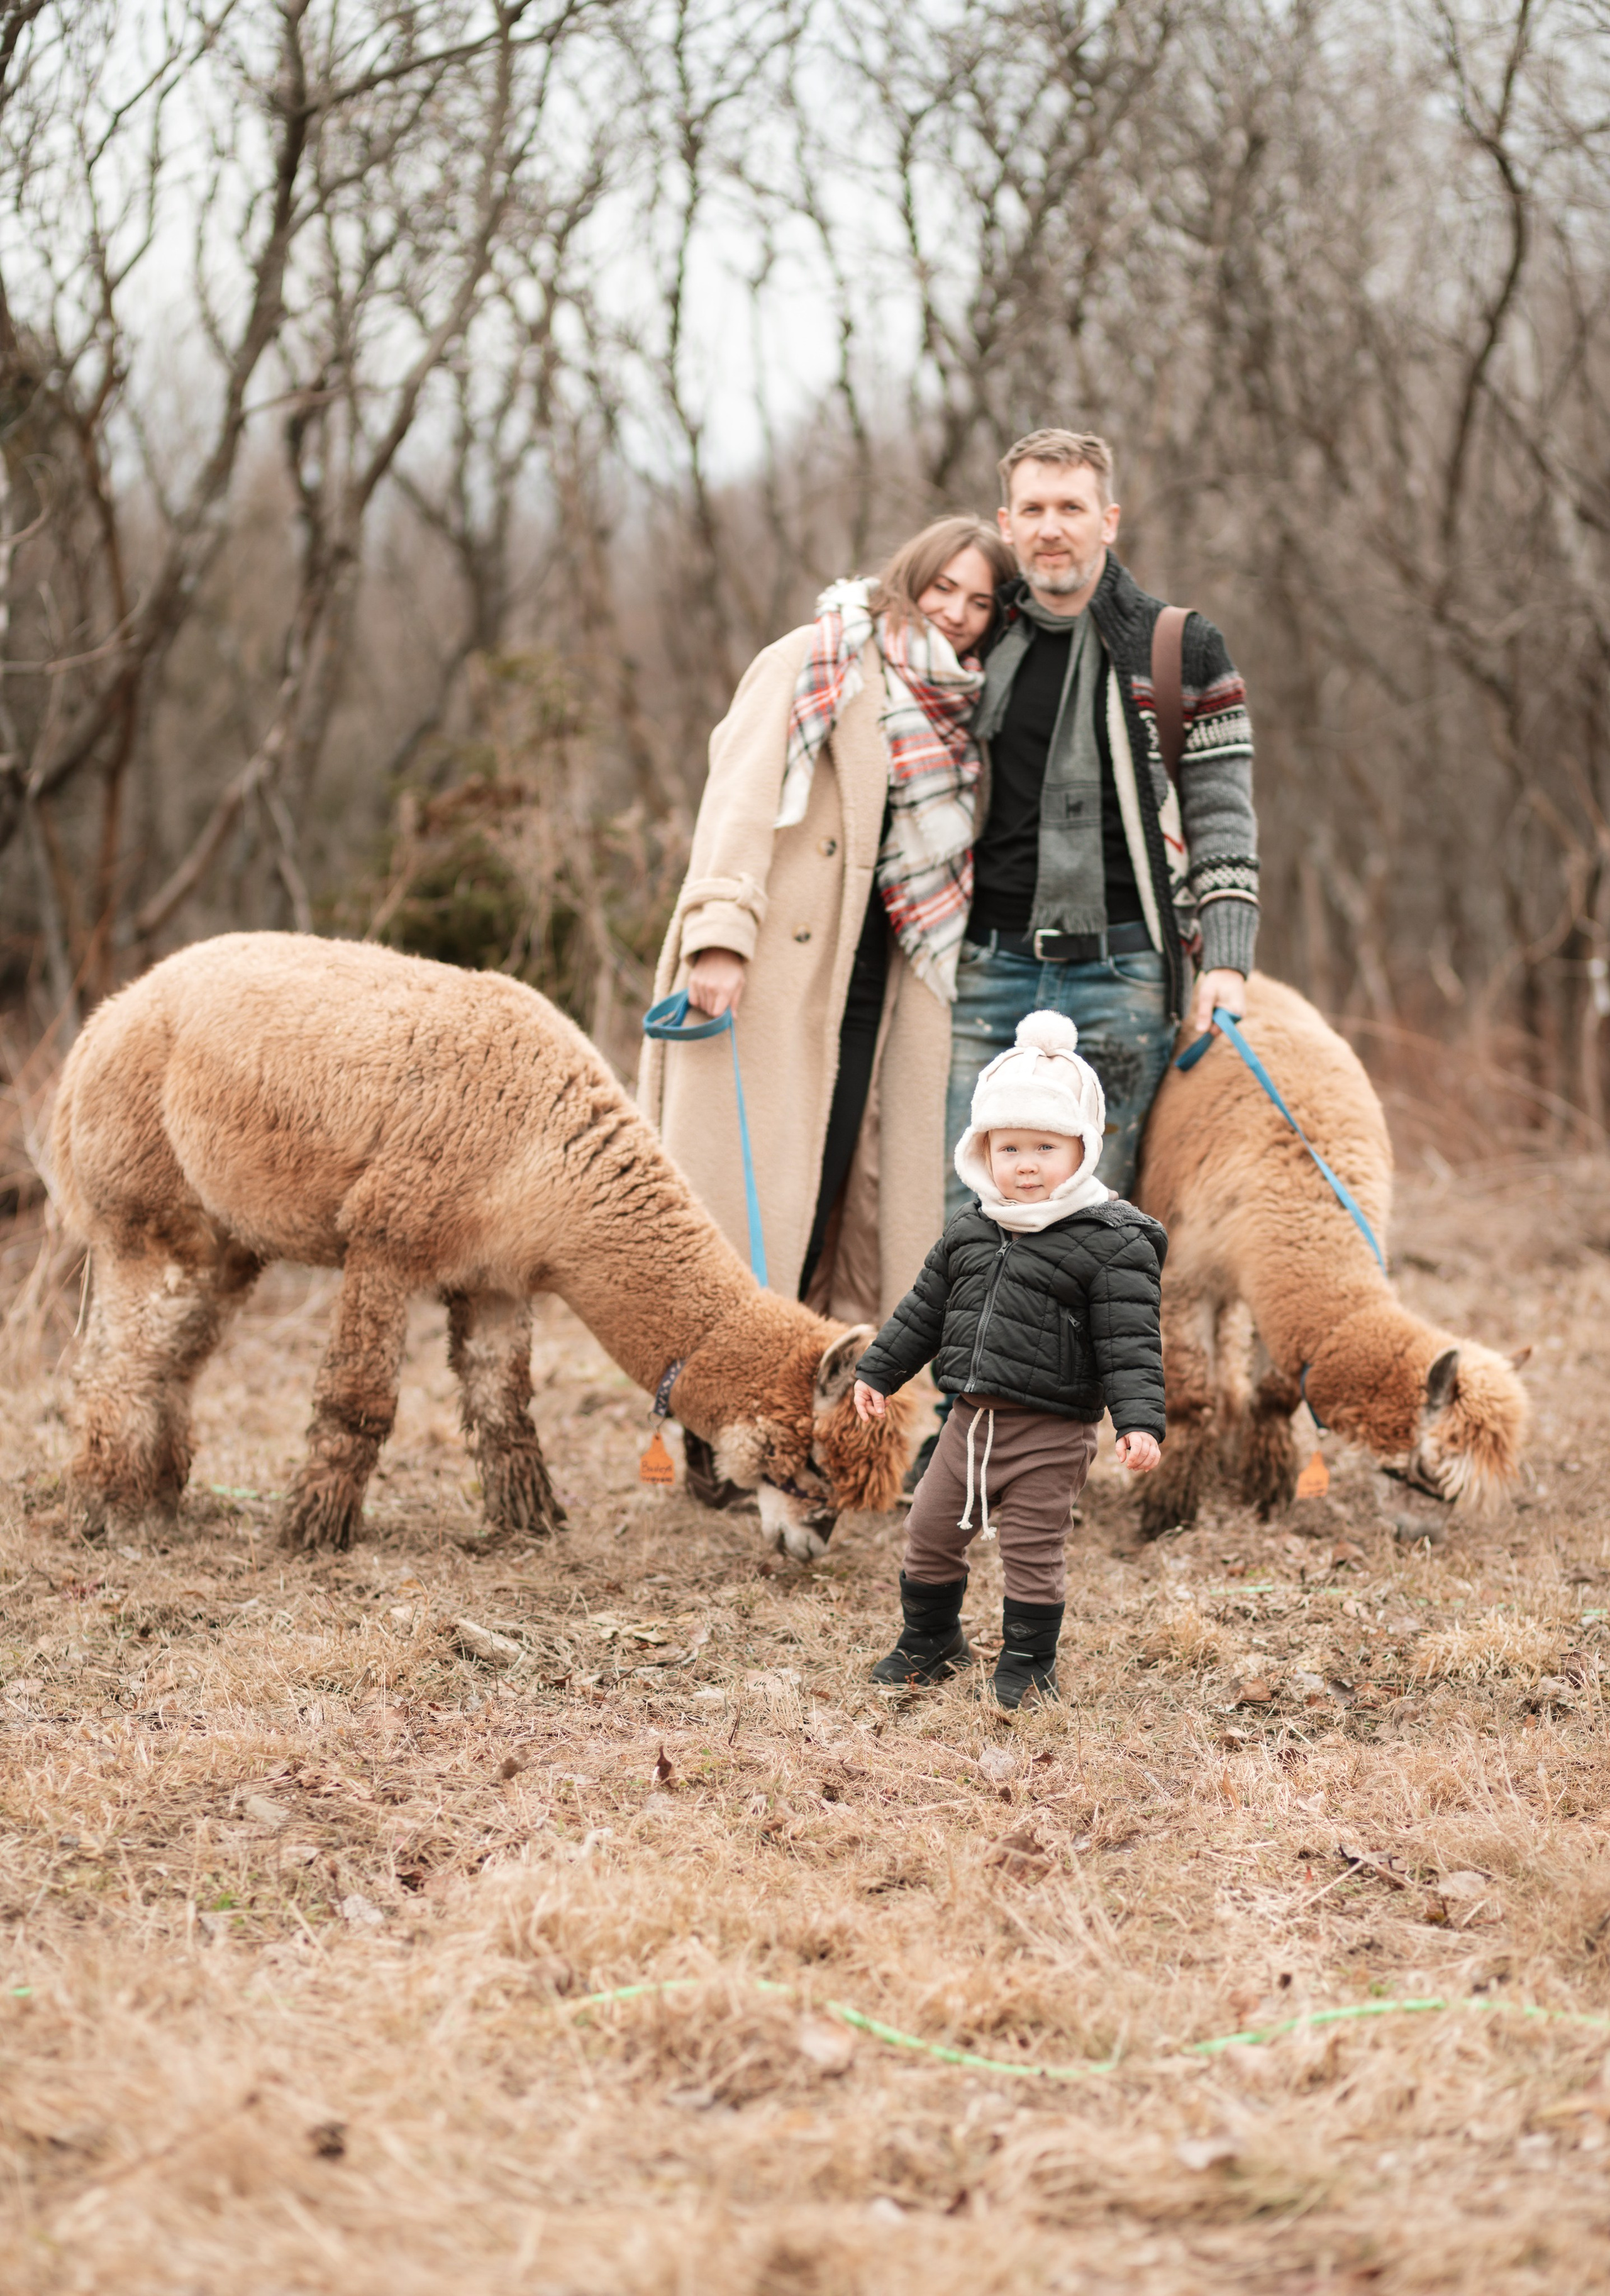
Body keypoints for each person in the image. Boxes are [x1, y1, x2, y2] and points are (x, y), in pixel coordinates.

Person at [639, 515, 1016, 1504]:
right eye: (945, 588)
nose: (958, 612)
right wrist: (719, 935)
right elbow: (741, 794)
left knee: (846, 1204)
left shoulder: (965, 711)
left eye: (980, 601)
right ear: (911, 576)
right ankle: (712, 1420)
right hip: (775, 980)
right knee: (758, 1206)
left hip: (889, 992)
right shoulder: (819, 660)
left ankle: (805, 1420)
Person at [948, 428, 1260, 1218]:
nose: (1051, 527)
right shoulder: (970, 643)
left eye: (1071, 507)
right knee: (967, 1225)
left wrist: (1226, 958)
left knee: (1090, 1230)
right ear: (1007, 523)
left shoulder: (1179, 646)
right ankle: (970, 1352)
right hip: (986, 974)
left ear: (1108, 520)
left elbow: (1222, 813)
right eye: (1033, 509)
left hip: (1122, 977)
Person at [852, 1011, 1165, 1710]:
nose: (1026, 1164)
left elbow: (1131, 1341)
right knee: (929, 1531)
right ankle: (929, 1639)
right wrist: (878, 1370)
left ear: (1082, 1148)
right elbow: (923, 1311)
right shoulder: (971, 1227)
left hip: (1051, 1432)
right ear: (981, 1148)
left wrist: (1138, 1421)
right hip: (968, 1423)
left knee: (1031, 1549)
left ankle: (1028, 1661)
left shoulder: (1112, 1241)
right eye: (1009, 1147)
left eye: (1046, 1147)